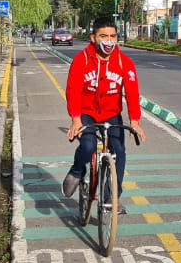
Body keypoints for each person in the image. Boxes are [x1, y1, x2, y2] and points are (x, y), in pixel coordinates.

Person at [61, 17, 146, 214]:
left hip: (111, 114)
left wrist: (135, 121)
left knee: (120, 152)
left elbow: (132, 93)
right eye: (103, 36)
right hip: (86, 113)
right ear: (93, 38)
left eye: (112, 36)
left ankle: (111, 198)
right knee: (88, 145)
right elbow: (72, 91)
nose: (108, 41)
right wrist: (75, 119)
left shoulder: (125, 63)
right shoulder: (81, 60)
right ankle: (76, 171)